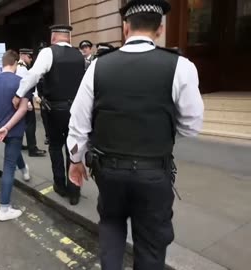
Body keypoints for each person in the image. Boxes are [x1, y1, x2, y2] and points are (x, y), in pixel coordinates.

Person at [66, 0, 205, 269]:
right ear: (160, 28)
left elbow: (79, 122)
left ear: (125, 27)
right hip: (154, 173)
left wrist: (75, 159)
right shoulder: (181, 66)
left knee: (111, 227)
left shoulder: (97, 66)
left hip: (109, 172)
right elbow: (192, 125)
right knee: (151, 245)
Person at [12, 25, 85, 206]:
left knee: (55, 146)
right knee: (73, 149)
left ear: (53, 38)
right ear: (68, 38)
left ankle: (60, 185)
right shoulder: (79, 55)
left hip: (55, 110)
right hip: (76, 109)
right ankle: (74, 191)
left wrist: (19, 94)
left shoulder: (48, 52)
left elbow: (33, 75)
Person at [0, 50, 31, 221]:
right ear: (16, 63)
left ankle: (24, 170)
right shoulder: (21, 82)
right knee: (9, 166)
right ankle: (4, 208)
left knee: (13, 151)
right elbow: (23, 108)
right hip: (14, 130)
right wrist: (8, 127)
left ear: (3, 63)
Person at [16, 48, 47, 157]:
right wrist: (28, 102)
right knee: (30, 124)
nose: (31, 59)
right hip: (25, 98)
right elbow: (23, 86)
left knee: (23, 123)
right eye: (29, 57)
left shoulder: (21, 67)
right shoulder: (21, 69)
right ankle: (32, 149)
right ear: (22, 55)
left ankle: (20, 145)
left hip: (23, 98)